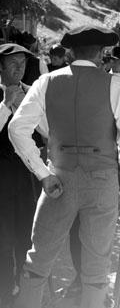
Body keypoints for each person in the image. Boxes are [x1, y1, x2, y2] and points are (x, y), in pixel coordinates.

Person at [9, 25, 120, 308]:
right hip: (103, 180)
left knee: (38, 261)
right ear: (101, 53)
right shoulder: (115, 85)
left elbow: (18, 128)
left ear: (70, 52)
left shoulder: (46, 82)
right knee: (96, 269)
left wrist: (43, 174)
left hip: (59, 177)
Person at [0, 43, 43, 308]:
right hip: (0, 182)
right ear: (0, 67)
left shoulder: (32, 94)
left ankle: (20, 289)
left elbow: (46, 132)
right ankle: (4, 294)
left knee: (26, 238)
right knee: (3, 242)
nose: (20, 69)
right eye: (14, 64)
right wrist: (5, 105)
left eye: (23, 64)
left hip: (27, 181)